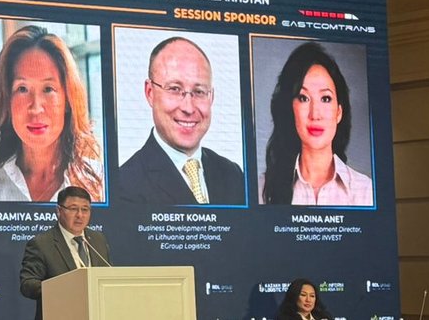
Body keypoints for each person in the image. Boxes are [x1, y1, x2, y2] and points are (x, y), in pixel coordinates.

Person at [0, 26, 104, 201]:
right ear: (6, 100)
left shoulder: (100, 184)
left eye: (48, 89)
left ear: (68, 100)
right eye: (22, 89)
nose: (36, 108)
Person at [116, 36, 244, 205]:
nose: (188, 108)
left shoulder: (233, 175)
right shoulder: (124, 185)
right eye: (175, 89)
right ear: (150, 93)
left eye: (199, 92)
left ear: (211, 97)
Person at [262, 42, 372, 205]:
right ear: (290, 109)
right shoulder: (262, 189)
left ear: (339, 112)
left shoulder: (365, 191)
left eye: (325, 99)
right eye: (303, 98)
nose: (315, 114)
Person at [19, 186, 110, 320]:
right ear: (59, 211)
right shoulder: (42, 244)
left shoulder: (98, 239)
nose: (80, 215)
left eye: (85, 209)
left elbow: (106, 277)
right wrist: (62, 289)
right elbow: (28, 284)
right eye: (73, 209)